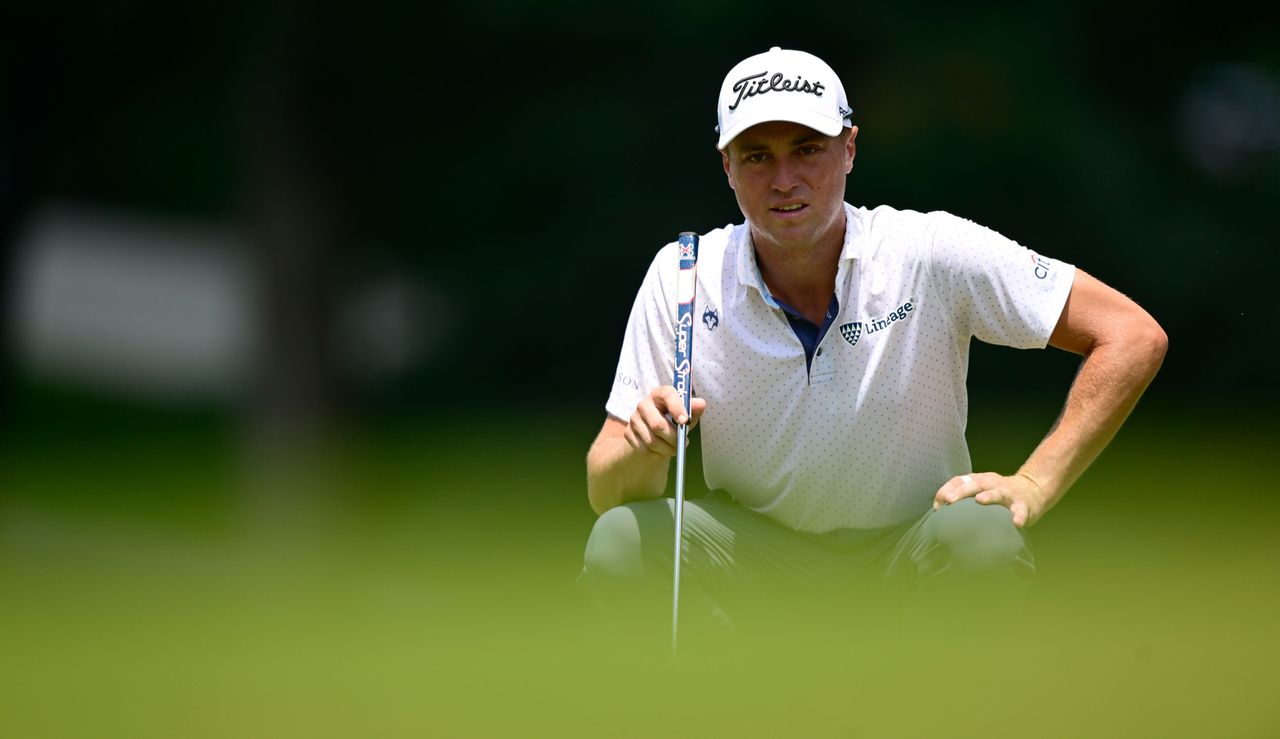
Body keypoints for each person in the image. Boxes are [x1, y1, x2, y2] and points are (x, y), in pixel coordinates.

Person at [579, 47, 1167, 642]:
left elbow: (1131, 335)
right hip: (753, 556)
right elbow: (607, 489)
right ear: (726, 166)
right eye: (758, 156)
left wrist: (1036, 483)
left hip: (910, 548)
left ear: (850, 147)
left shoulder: (926, 251)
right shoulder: (684, 276)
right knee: (622, 541)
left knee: (981, 536)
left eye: (808, 148)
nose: (784, 179)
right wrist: (643, 449)